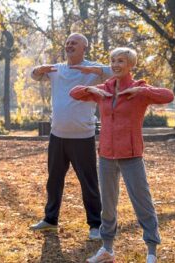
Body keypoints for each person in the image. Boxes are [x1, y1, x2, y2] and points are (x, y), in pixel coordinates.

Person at [70, 47, 174, 263]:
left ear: (130, 65)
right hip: (106, 155)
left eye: (121, 61)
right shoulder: (104, 89)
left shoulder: (139, 90)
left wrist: (142, 92)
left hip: (131, 156)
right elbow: (74, 92)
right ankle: (107, 249)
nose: (116, 64)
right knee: (107, 205)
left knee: (142, 203)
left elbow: (168, 95)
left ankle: (152, 251)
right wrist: (92, 91)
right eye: (113, 60)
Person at [29, 33, 112, 240]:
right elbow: (34, 75)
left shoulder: (94, 69)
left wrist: (92, 70)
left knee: (89, 183)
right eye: (67, 43)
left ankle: (95, 225)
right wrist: (38, 70)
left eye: (74, 43)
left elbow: (117, 72)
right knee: (54, 180)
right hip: (57, 135)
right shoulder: (57, 69)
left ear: (85, 47)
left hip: (83, 136)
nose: (69, 45)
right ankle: (50, 220)